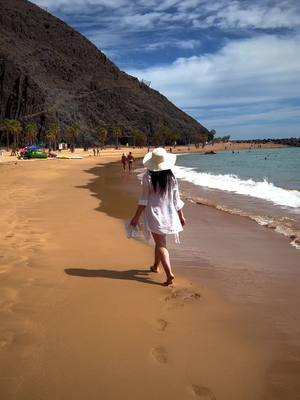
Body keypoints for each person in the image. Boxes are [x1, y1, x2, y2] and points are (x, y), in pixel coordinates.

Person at [130, 147, 185, 286]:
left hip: (154, 213)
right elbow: (176, 199)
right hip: (169, 213)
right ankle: (155, 266)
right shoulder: (171, 177)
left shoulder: (148, 177)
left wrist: (135, 218)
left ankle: (169, 274)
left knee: (160, 243)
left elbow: (144, 200)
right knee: (161, 242)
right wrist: (181, 215)